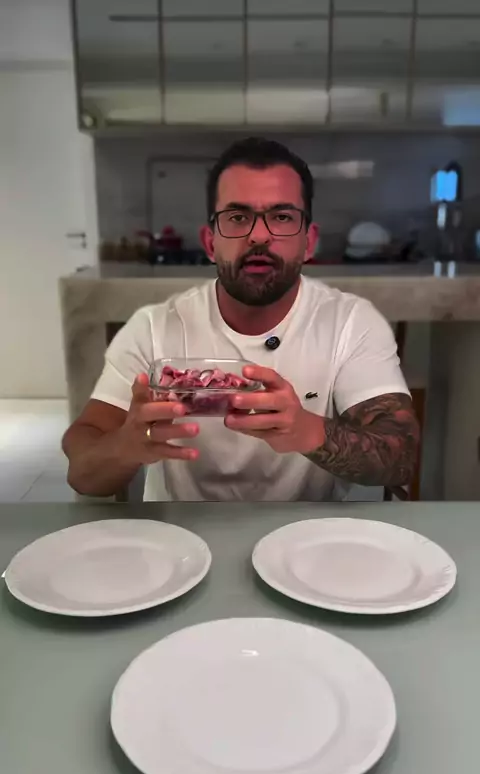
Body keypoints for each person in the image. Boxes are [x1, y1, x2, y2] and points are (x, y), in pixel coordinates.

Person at [63, 137, 419, 501]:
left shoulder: (350, 323)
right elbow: (82, 473)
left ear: (309, 242)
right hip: (182, 533)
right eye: (237, 218)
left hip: (306, 532)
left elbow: (401, 459)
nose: (259, 236)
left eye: (282, 217)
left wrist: (307, 430)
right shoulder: (153, 329)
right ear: (210, 242)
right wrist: (125, 446)